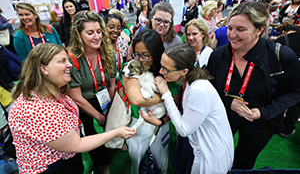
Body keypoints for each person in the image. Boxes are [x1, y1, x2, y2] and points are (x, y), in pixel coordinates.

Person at [8, 43, 136, 174]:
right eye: (62, 61)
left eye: (68, 60)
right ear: (44, 69)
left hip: (65, 161)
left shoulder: (50, 92)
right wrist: (116, 132)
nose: (69, 65)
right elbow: (77, 144)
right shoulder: (38, 110)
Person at [207, 0, 300, 169]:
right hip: (224, 114)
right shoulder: (219, 55)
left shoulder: (282, 56)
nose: (232, 34)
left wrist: (263, 113)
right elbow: (209, 89)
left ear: (259, 30)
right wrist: (228, 102)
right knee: (216, 154)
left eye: (241, 29)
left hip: (261, 122)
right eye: (230, 28)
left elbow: (295, 92)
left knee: (244, 160)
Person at [152, 44, 234, 174]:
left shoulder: (198, 90)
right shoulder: (192, 82)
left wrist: (166, 94)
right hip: (198, 146)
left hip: (209, 157)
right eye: (161, 66)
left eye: (166, 69)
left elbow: (184, 129)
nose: (161, 72)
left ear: (184, 71)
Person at [123, 29, 179, 174]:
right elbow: (137, 99)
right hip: (138, 120)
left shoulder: (166, 69)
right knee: (137, 157)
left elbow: (177, 101)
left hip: (161, 121)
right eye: (137, 54)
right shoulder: (130, 68)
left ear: (156, 52)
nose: (141, 60)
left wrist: (162, 121)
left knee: (161, 157)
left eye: (146, 55)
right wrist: (166, 94)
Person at [67, 11, 117, 174]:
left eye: (98, 31)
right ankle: (102, 164)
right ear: (79, 34)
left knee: (113, 123)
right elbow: (77, 97)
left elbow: (112, 84)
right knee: (91, 132)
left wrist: (109, 109)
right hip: (85, 102)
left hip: (105, 96)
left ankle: (114, 143)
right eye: (90, 33)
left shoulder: (108, 52)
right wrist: (99, 115)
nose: (96, 37)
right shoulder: (72, 58)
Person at [275, 24, 300, 138]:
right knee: (296, 105)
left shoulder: (284, 40)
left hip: (284, 77)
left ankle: (278, 125)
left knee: (280, 99)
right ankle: (287, 129)